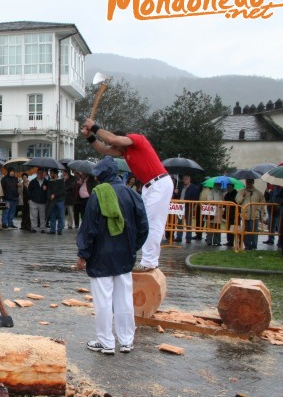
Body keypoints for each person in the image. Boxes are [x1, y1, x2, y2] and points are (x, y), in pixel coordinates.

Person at [75, 157, 148, 355]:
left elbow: (88, 228)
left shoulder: (98, 195)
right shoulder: (133, 194)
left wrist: (83, 254)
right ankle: (126, 341)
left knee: (103, 301)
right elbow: (144, 227)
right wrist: (133, 247)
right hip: (125, 255)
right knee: (124, 299)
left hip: (100, 255)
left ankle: (106, 342)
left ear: (101, 176)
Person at [82, 118, 172, 272]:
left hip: (159, 183)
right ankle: (150, 260)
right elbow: (103, 149)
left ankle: (149, 261)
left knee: (152, 223)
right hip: (149, 186)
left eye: (116, 146)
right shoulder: (125, 150)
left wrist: (94, 127)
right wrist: (90, 137)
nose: (115, 149)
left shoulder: (137, 139)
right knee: (146, 222)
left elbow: (111, 139)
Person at [236, 178, 266, 251]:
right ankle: (247, 245)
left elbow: (263, 202)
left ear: (253, 182)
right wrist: (242, 196)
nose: (248, 183)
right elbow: (237, 201)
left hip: (254, 215)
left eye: (250, 182)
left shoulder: (258, 193)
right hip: (245, 215)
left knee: (254, 231)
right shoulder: (241, 192)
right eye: (247, 182)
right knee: (245, 231)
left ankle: (254, 245)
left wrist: (258, 209)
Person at [173, 173, 200, 243]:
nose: (184, 180)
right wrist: (175, 193)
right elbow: (177, 197)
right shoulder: (180, 187)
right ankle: (179, 237)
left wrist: (193, 206)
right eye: (184, 179)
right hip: (180, 207)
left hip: (188, 207)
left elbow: (196, 198)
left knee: (189, 223)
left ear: (189, 180)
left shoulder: (194, 188)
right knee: (179, 222)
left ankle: (188, 237)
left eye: (186, 179)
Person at [27, 169, 48, 233]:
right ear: (36, 173)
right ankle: (34, 228)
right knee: (33, 216)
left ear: (43, 174)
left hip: (43, 201)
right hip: (33, 201)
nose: (40, 174)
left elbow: (50, 191)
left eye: (41, 173)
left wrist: (46, 189)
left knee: (43, 216)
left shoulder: (46, 182)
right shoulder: (32, 182)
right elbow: (29, 191)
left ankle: (42, 228)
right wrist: (29, 199)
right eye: (38, 173)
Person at [46, 168, 66, 235]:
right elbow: (48, 190)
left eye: (51, 173)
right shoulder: (50, 181)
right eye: (50, 173)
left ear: (55, 174)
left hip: (60, 200)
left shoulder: (61, 181)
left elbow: (62, 190)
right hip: (52, 201)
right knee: (52, 215)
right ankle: (52, 230)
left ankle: (59, 230)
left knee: (60, 215)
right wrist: (50, 196)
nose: (50, 174)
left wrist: (55, 195)